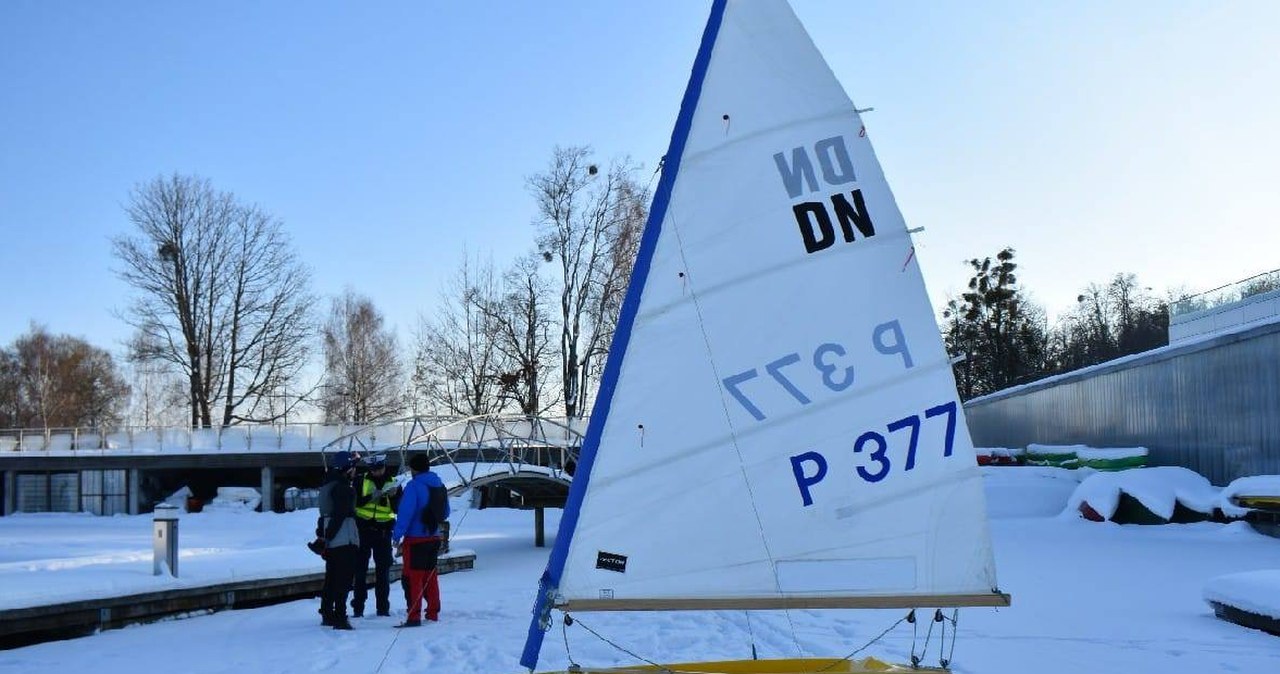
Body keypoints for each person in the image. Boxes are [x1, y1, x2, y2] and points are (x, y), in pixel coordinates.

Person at [391, 453, 449, 627]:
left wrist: (396, 535)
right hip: (434, 537)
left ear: (413, 468)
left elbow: (405, 514)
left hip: (415, 539)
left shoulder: (413, 486)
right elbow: (445, 513)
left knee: (412, 578)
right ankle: (432, 613)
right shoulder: (440, 485)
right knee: (431, 576)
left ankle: (414, 616)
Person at [351, 454, 398, 618]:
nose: (378, 472)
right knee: (360, 572)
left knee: (383, 572)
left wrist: (394, 497)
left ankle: (383, 609)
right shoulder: (360, 480)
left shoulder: (394, 482)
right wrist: (372, 497)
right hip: (363, 531)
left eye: (380, 469)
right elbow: (353, 503)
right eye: (374, 469)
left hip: (383, 533)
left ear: (384, 466)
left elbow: (398, 509)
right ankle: (358, 608)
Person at [317, 450, 361, 630]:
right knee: (343, 579)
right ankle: (340, 617)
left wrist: (324, 536)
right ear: (347, 468)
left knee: (332, 578)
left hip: (334, 539)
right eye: (354, 467)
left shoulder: (329, 484)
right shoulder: (343, 488)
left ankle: (327, 613)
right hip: (344, 539)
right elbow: (341, 514)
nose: (355, 471)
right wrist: (330, 536)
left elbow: (325, 514)